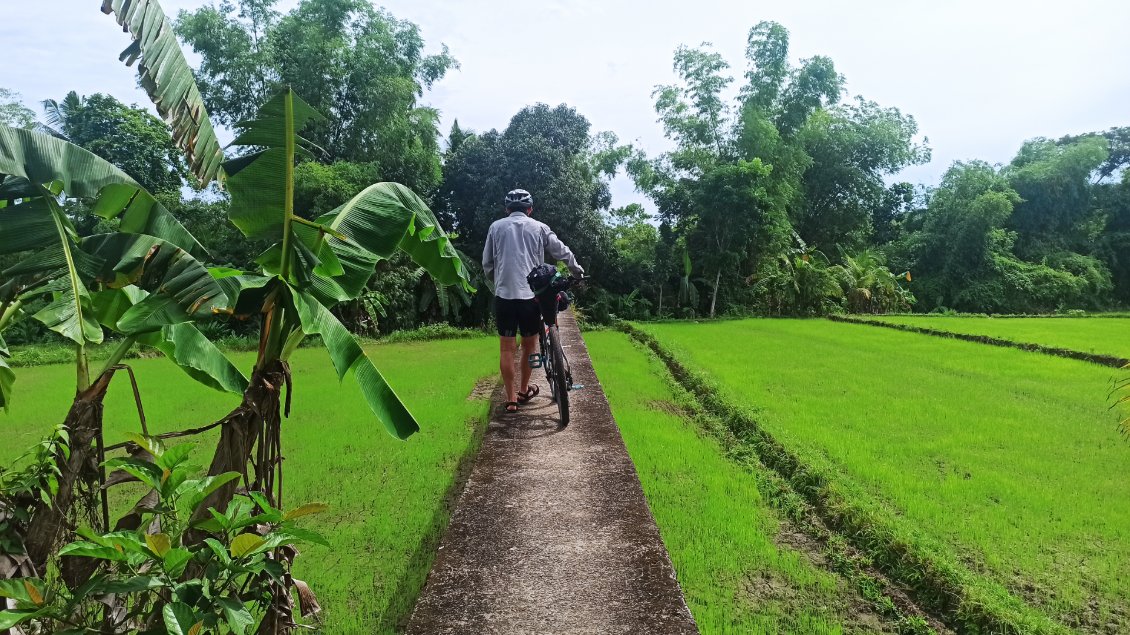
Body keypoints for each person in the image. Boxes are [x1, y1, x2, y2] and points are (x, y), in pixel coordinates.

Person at [482, 189, 585, 413]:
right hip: (532, 296)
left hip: (504, 296)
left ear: (507, 209)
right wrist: (577, 271)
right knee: (529, 346)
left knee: (507, 349)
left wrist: (499, 281)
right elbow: (561, 251)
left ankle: (510, 400)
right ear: (530, 209)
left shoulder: (495, 227)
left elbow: (487, 263)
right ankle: (524, 389)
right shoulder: (539, 227)